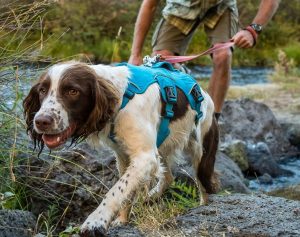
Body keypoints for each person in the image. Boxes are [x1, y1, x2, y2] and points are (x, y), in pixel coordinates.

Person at [128, 0, 280, 119]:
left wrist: (252, 30)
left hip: (221, 6)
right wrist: (135, 54)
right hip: (180, 6)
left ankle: (210, 123)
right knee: (161, 64)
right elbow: (149, 5)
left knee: (223, 55)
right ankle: (167, 118)